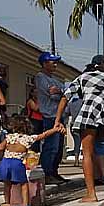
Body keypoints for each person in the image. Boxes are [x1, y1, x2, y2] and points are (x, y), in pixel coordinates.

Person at [54, 55, 104, 202]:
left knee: (87, 153)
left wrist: (58, 120)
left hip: (89, 110)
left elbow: (66, 96)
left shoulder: (82, 78)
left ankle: (91, 193)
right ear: (102, 65)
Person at [0, 115, 65, 206]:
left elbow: (0, 147)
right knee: (23, 184)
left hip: (5, 162)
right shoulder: (28, 138)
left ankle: (7, 203)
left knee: (7, 184)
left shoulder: (9, 137)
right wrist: (55, 129)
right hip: (17, 163)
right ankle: (26, 204)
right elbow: (43, 135)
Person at [35, 52, 69, 183]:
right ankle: (47, 173)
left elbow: (64, 93)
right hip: (50, 116)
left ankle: (54, 171)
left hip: (59, 116)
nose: (55, 64)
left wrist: (59, 91)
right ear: (44, 63)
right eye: (52, 62)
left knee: (59, 147)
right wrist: (59, 93)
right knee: (51, 146)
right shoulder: (41, 77)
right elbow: (51, 94)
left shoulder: (55, 80)